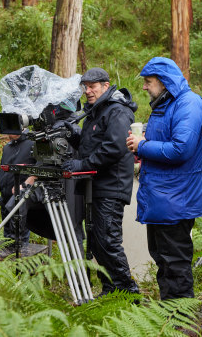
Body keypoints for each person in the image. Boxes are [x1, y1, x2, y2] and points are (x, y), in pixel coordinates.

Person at [126, 57, 202, 300]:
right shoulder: (165, 105)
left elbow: (181, 149)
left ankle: (181, 321)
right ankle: (169, 313)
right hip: (161, 197)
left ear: (165, 82)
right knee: (163, 259)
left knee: (175, 263)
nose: (144, 87)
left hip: (177, 198)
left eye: (148, 82)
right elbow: (161, 145)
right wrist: (139, 150)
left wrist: (143, 146)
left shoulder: (188, 104)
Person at [62, 67, 139, 296]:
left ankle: (127, 292)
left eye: (93, 86)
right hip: (94, 187)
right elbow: (91, 146)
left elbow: (114, 148)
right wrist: (74, 136)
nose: (88, 91)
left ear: (106, 86)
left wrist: (81, 165)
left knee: (108, 240)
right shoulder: (95, 112)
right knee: (96, 243)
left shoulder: (117, 111)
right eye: (85, 87)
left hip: (111, 187)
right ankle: (110, 289)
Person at [0, 133, 36, 244]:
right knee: (7, 238)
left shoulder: (32, 144)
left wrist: (24, 185)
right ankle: (7, 260)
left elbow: (40, 169)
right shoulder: (7, 146)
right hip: (4, 196)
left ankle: (20, 260)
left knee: (19, 240)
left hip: (20, 200)